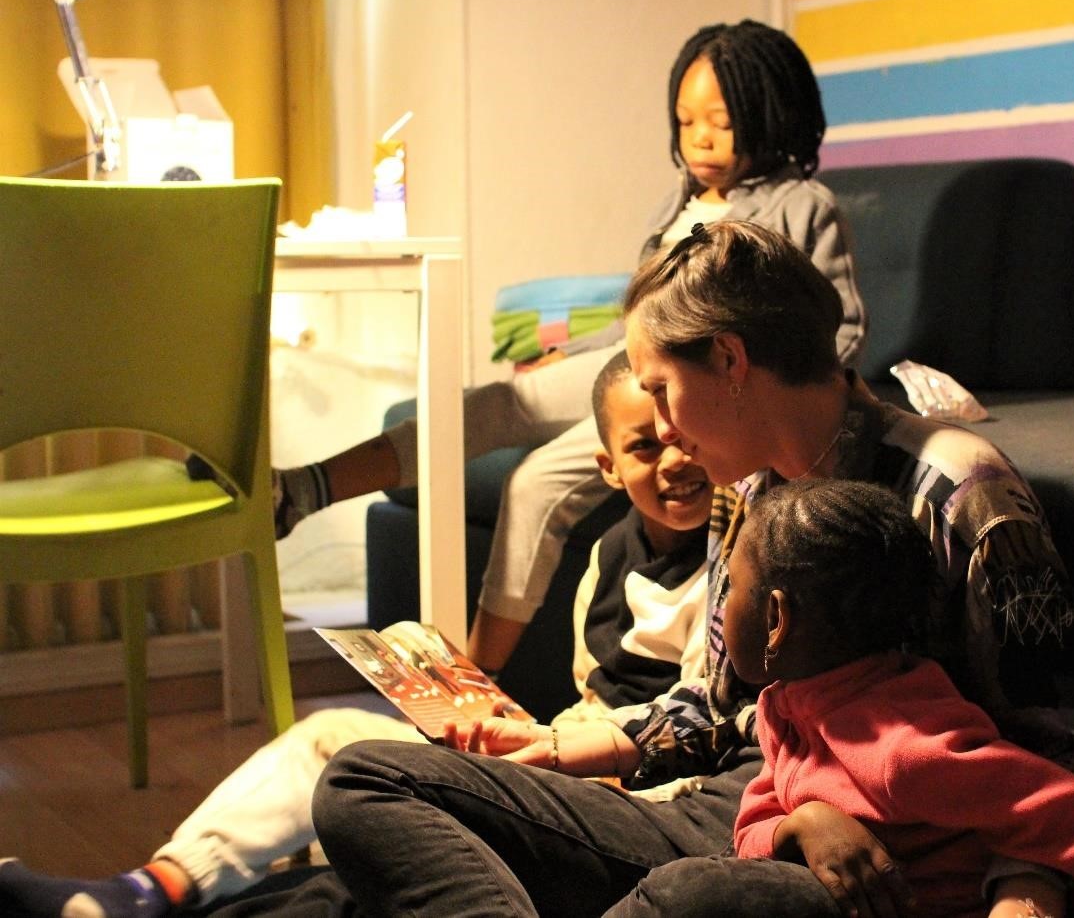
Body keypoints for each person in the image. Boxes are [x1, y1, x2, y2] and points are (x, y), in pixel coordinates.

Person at [307, 221, 1074, 918]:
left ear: (732, 361)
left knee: (688, 898)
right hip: (757, 810)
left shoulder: (959, 487)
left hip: (891, 864)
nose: (663, 430)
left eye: (662, 390)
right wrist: (556, 749)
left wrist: (1020, 904)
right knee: (367, 780)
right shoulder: (745, 489)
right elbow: (717, 705)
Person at [0, 350, 713, 918]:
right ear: (608, 467)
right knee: (331, 735)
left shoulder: (727, 563)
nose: (675, 462)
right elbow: (591, 691)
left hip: (638, 794)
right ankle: (151, 887)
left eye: (687, 441)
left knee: (362, 828)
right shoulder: (606, 557)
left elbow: (692, 727)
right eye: (646, 447)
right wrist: (495, 719)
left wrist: (558, 757)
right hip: (571, 754)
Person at [264, 19, 866, 679]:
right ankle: (304, 489)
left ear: (771, 114)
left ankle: (470, 679)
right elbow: (639, 314)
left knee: (534, 483)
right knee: (499, 402)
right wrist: (574, 350)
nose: (700, 139)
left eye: (720, 122)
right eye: (686, 120)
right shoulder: (677, 205)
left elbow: (838, 327)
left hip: (706, 391)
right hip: (636, 368)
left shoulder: (801, 206)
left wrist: (758, 394)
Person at [661, 477, 1074, 918]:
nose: (723, 605)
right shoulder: (788, 708)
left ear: (776, 620)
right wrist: (801, 824)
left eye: (731, 589)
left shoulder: (905, 755)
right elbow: (749, 831)